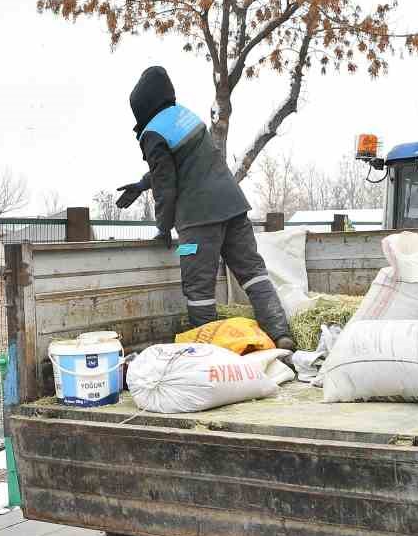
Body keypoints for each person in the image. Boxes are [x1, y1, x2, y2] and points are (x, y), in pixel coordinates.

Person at [116, 64, 294, 350]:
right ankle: (280, 334)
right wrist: (141, 184)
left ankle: (210, 353)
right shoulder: (186, 117)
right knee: (253, 273)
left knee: (198, 288)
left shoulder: (151, 133)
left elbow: (166, 186)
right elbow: (185, 166)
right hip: (234, 208)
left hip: (197, 223)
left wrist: (162, 229)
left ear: (140, 107)